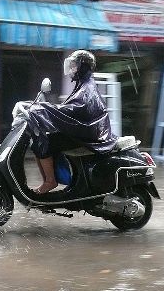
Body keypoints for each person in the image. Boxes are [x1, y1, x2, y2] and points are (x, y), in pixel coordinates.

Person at [26, 50, 117, 194]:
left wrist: (46, 109)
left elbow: (74, 109)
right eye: (72, 66)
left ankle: (50, 181)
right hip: (87, 132)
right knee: (41, 141)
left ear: (83, 67)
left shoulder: (87, 88)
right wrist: (48, 108)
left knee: (44, 142)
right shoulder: (83, 85)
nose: (72, 69)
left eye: (75, 66)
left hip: (90, 136)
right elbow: (71, 108)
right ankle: (49, 180)